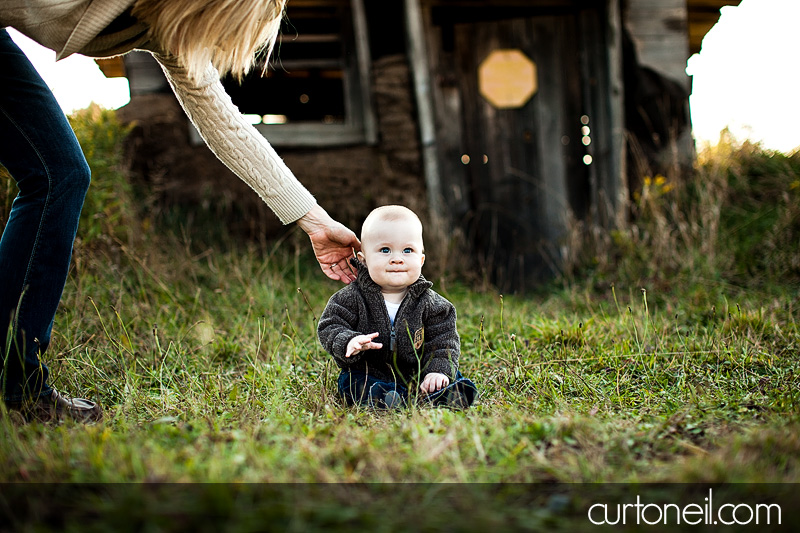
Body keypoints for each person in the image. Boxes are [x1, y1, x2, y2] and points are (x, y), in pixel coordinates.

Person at [0, 0, 360, 423]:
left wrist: (313, 220)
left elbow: (227, 126)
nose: (211, 46)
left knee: (58, 173)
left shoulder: (171, 30)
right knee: (57, 174)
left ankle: (20, 382)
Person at [317, 205, 478, 409]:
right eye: (385, 250)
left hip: (417, 372)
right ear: (363, 261)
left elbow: (443, 340)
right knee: (353, 384)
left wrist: (437, 371)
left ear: (421, 260)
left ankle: (446, 393)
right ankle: (386, 397)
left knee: (444, 378)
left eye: (407, 250)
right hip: (368, 371)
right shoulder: (350, 298)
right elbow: (330, 325)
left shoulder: (433, 304)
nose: (396, 258)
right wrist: (348, 341)